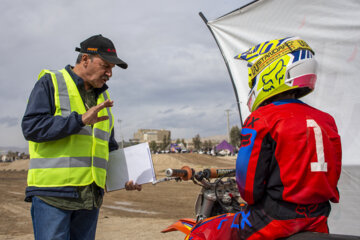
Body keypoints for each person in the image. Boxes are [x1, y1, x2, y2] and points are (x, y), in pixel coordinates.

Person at [188, 37, 342, 239]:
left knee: (202, 231)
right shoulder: (326, 119)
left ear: (273, 71)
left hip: (274, 219)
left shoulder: (262, 119)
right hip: (318, 218)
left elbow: (248, 189)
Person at [22, 34, 141, 240]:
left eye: (112, 68)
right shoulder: (51, 82)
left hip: (89, 199)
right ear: (85, 59)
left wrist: (125, 177)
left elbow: (107, 147)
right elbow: (32, 127)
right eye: (106, 66)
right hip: (54, 196)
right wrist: (80, 120)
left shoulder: (103, 98)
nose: (110, 73)